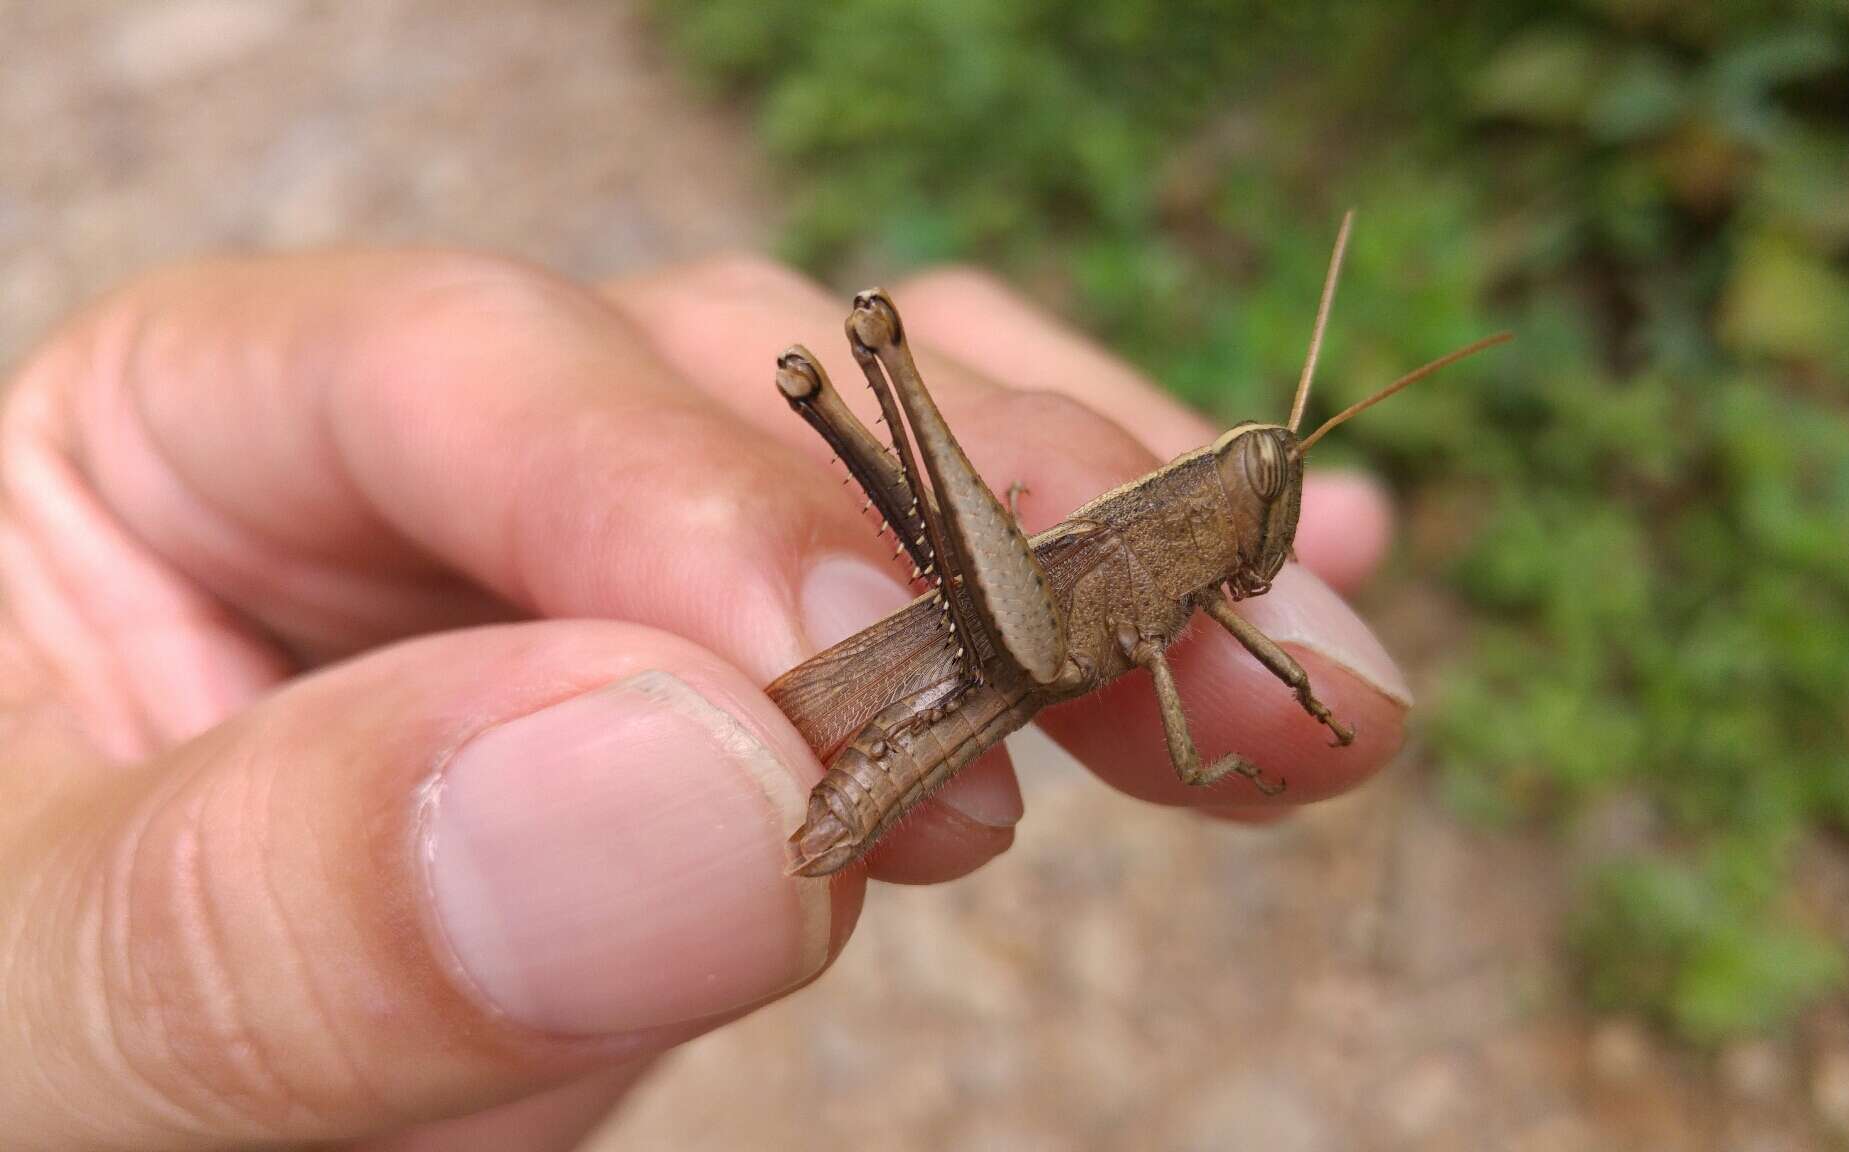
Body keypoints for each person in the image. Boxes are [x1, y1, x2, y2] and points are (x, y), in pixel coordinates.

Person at [0, 252, 1409, 1150]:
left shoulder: (1193, 573)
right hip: (1016, 633)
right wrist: (1244, 738)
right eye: (1259, 485)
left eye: (1265, 486)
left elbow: (1171, 670)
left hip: (1009, 630)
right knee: (916, 444)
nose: (1261, 512)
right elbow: (1134, 655)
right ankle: (871, 389)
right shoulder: (1174, 558)